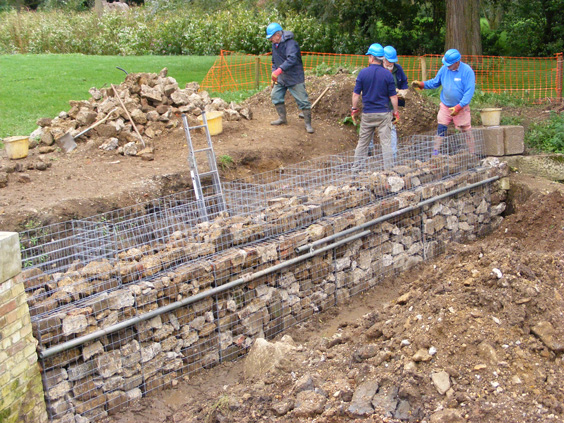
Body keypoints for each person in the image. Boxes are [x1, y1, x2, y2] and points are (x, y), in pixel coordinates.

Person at [411, 48, 476, 155]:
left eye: (449, 64)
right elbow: (435, 82)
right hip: (446, 106)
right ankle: (435, 153)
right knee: (441, 128)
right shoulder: (444, 69)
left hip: (461, 107)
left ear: (457, 62)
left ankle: (471, 154)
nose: (447, 66)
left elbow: (469, 93)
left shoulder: (467, 71)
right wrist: (422, 84)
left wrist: (458, 107)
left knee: (466, 130)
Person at [351, 43, 399, 169]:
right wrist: (395, 111)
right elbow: (393, 97)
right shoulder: (387, 75)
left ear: (372, 57)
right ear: (382, 58)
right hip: (383, 113)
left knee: (362, 144)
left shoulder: (363, 73)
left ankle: (356, 172)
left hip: (367, 114)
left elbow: (356, 95)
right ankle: (389, 171)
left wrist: (354, 109)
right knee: (386, 144)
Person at [266, 22, 314, 134]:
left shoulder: (291, 44)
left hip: (294, 77)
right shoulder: (275, 45)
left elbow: (292, 59)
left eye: (271, 37)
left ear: (277, 35)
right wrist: (274, 73)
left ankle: (308, 124)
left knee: (303, 100)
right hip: (282, 77)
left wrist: (278, 70)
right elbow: (274, 61)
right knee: (275, 95)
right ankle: (282, 118)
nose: (270, 40)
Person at [383, 45, 408, 159]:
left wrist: (402, 91)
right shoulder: (378, 69)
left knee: (392, 128)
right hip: (380, 104)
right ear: (383, 59)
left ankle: (393, 155)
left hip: (392, 105)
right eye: (388, 61)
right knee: (372, 127)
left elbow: (404, 82)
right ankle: (369, 150)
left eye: (392, 62)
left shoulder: (398, 69)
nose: (390, 64)